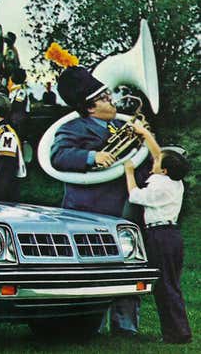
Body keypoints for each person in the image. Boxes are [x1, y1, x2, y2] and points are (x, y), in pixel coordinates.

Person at [48, 47, 146, 335]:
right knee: (96, 269)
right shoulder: (73, 128)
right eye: (105, 97)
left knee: (130, 268)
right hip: (89, 209)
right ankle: (90, 325)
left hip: (125, 206)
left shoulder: (122, 125)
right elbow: (58, 156)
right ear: (91, 106)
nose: (112, 100)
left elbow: (137, 158)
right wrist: (93, 158)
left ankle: (126, 326)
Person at [124, 124, 192, 344]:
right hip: (171, 235)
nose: (153, 161)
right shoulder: (172, 180)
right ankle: (177, 331)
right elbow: (158, 154)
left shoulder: (159, 187)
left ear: (163, 170)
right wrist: (144, 135)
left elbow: (134, 195)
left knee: (164, 286)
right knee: (171, 284)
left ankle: (176, 334)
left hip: (160, 235)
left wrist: (129, 172)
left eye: (156, 162)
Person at [8, 68, 30, 139]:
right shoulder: (14, 90)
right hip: (13, 118)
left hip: (18, 120)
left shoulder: (21, 91)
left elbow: (18, 105)